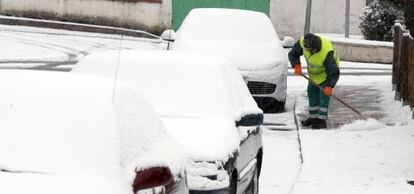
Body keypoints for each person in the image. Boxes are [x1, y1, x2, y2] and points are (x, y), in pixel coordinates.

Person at [288, 33, 340, 129]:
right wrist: (296, 65)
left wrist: (329, 86)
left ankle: (321, 121)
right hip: (313, 75)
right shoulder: (303, 43)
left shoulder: (326, 53)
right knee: (312, 93)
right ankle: (313, 118)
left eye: (314, 50)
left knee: (323, 97)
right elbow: (293, 54)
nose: (313, 51)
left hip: (326, 74)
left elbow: (334, 72)